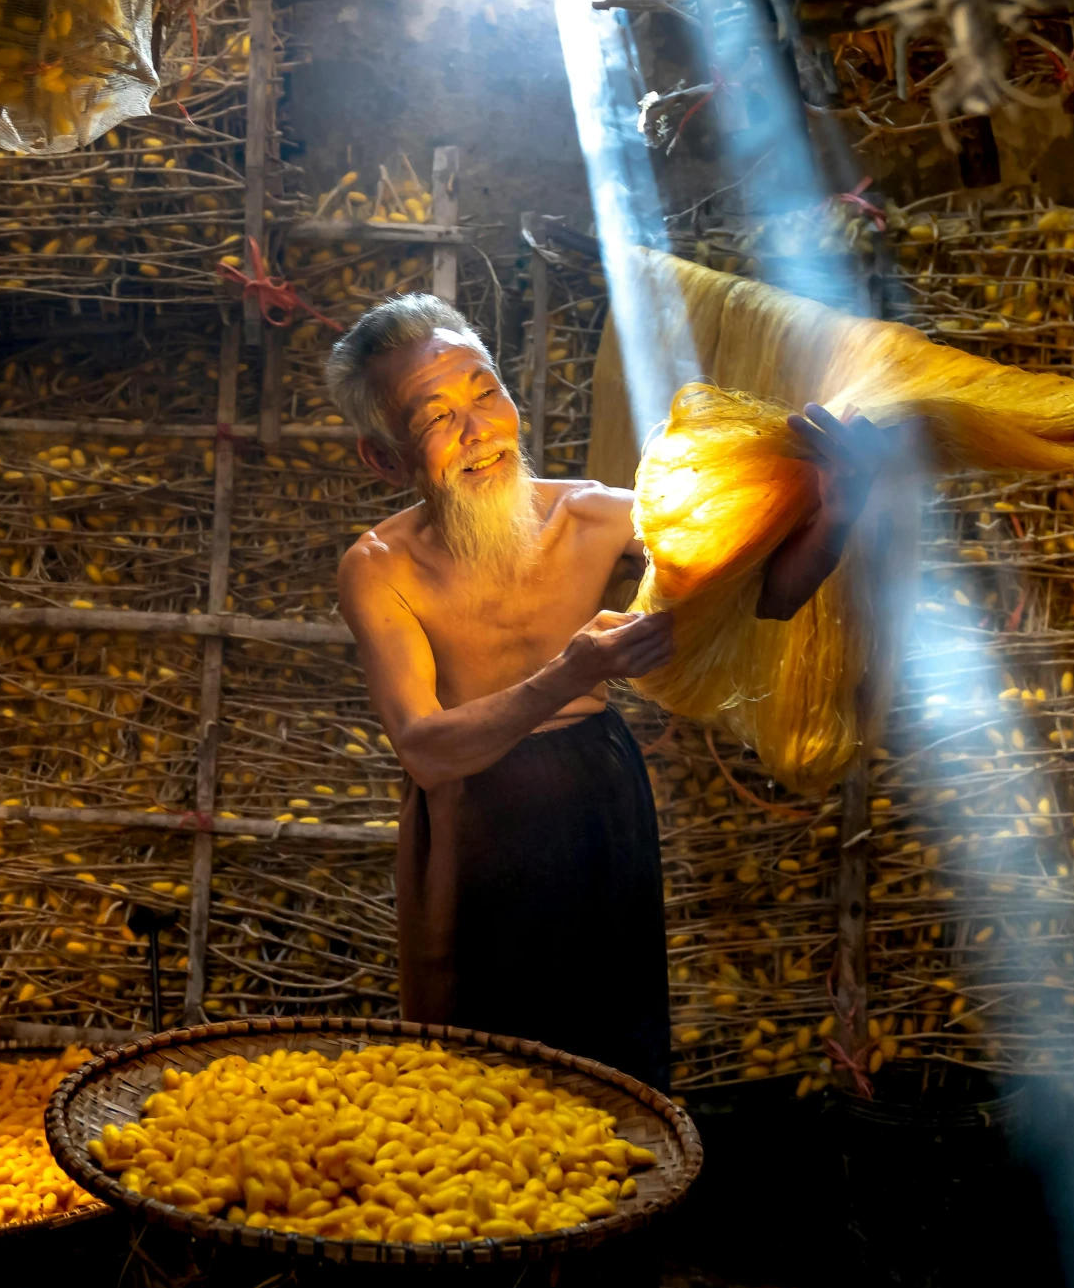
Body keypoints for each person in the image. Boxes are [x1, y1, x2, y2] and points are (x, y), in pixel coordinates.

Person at [328, 294, 884, 1093]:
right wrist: (573, 671)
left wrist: (834, 519)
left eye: (485, 393)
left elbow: (765, 592)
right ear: (385, 458)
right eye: (435, 418)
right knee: (473, 1066)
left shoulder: (596, 515)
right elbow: (423, 746)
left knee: (612, 1058)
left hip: (597, 796)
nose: (478, 431)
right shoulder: (379, 567)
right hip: (469, 824)